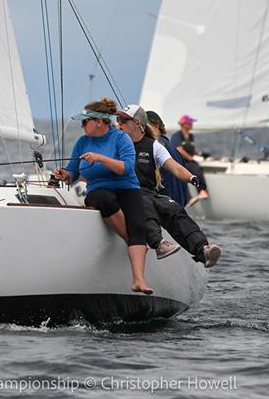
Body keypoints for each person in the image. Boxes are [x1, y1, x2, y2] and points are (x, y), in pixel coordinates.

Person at [53, 97, 179, 294]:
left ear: (98, 122)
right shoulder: (82, 142)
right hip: (99, 191)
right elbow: (73, 172)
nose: (82, 126)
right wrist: (65, 175)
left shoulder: (121, 138)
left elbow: (126, 168)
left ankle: (139, 280)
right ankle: (134, 243)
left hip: (127, 186)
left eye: (84, 122)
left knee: (138, 225)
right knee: (104, 199)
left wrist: (100, 158)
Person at [117, 105, 221, 268]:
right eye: (118, 120)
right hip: (125, 193)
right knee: (143, 204)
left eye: (123, 120)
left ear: (138, 123)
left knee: (174, 209)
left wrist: (192, 178)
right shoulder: (115, 144)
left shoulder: (154, 146)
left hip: (149, 193)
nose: (118, 124)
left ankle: (203, 250)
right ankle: (159, 244)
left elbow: (175, 167)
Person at [145, 110, 189, 206]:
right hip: (178, 206)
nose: (141, 130)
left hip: (165, 206)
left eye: (144, 126)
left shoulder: (155, 147)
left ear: (156, 126)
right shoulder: (174, 150)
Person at [171, 114, 209, 205]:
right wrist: (190, 158)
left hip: (189, 161)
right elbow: (179, 149)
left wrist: (200, 154)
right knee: (186, 173)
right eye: (190, 123)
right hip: (180, 161)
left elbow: (191, 148)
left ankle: (202, 191)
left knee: (197, 170)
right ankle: (189, 197)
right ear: (184, 124)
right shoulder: (177, 135)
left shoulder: (191, 136)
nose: (192, 124)